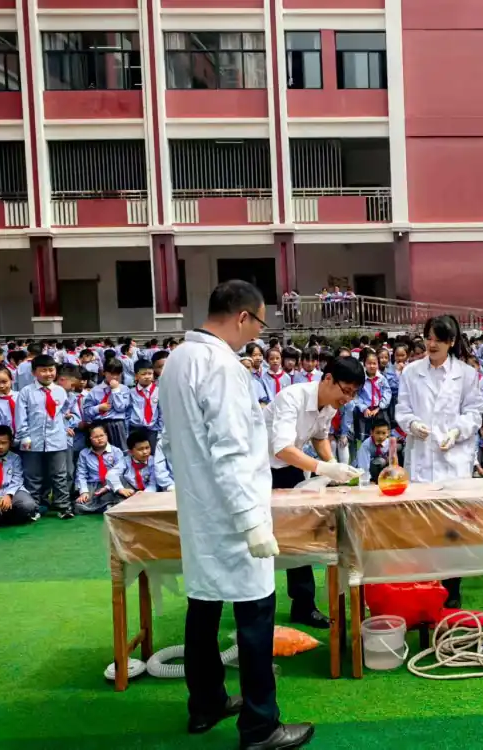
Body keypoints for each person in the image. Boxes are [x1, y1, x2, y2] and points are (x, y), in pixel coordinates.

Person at [159, 280, 314, 750]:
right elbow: (231, 451)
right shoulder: (222, 367)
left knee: (203, 607)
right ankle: (261, 727)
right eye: (259, 323)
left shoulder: (178, 359)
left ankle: (206, 703)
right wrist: (250, 520)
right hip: (234, 511)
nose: (258, 334)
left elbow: (171, 443)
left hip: (200, 507)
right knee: (254, 614)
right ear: (243, 316)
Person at [263, 355, 365, 627]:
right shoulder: (291, 398)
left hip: (292, 467)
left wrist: (333, 465)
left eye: (353, 394)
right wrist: (324, 468)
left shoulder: (329, 405)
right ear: (328, 379)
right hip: (261, 471)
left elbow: (320, 437)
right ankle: (256, 609)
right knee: (264, 537)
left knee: (301, 535)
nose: (348, 399)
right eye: (346, 391)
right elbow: (282, 448)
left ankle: (303, 605)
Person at [396, 315, 483, 609]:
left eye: (438, 339)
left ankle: (452, 586)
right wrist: (412, 425)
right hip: (421, 456)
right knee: (423, 524)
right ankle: (426, 585)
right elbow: (402, 409)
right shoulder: (411, 372)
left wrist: (457, 432)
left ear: (451, 342)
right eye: (428, 338)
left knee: (452, 526)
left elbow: (474, 412)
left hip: (453, 458)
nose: (431, 344)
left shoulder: (466, 375)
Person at [15, 354, 72, 519]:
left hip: (57, 440)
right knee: (33, 477)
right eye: (44, 370)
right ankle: (33, 508)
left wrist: (66, 427)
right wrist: (24, 436)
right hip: (33, 440)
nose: (48, 374)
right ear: (34, 372)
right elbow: (21, 417)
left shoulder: (60, 391)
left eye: (51, 370)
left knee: (59, 475)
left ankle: (63, 507)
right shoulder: (26, 392)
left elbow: (64, 412)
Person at [0, 424, 39, 530]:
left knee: (28, 505)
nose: (0, 447)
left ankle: (3, 514)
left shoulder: (15, 458)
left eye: (4, 443)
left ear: (10, 442)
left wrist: (8, 495)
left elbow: (17, 479)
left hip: (12, 491)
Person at [74, 423, 128, 513]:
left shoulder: (116, 451)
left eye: (102, 435)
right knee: (79, 505)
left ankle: (104, 506)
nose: (99, 439)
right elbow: (81, 474)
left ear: (106, 435)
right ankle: (107, 507)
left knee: (120, 494)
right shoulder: (84, 453)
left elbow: (120, 471)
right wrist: (84, 492)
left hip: (111, 484)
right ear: (90, 438)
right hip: (93, 486)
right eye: (95, 437)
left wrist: (107, 487)